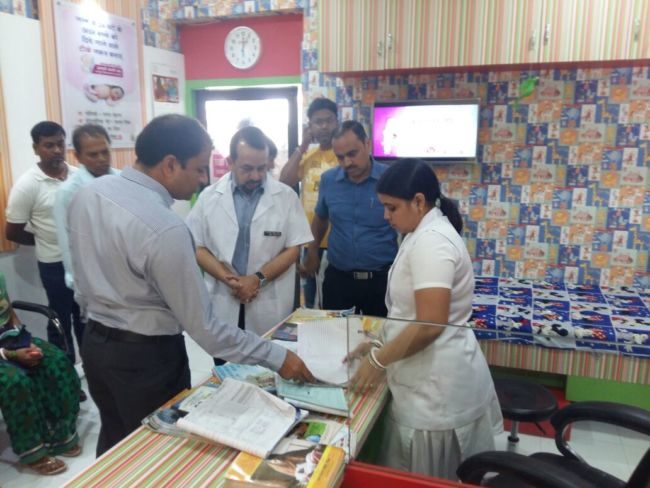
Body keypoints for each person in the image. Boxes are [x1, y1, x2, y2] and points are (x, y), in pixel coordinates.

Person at [67, 115, 314, 456]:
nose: (203, 179)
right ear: (170, 164)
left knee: (115, 444)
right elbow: (205, 329)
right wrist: (277, 355)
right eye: (198, 169)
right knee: (158, 454)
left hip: (95, 346)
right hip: (146, 360)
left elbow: (81, 279)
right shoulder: (165, 228)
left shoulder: (89, 195)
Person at [346, 159, 502, 479]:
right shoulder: (419, 233)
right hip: (427, 378)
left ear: (418, 201)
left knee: (427, 477)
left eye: (391, 207)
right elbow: (407, 312)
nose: (385, 216)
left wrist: (377, 360)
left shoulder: (432, 242)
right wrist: (378, 342)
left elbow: (430, 324)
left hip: (436, 391)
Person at [186, 126, 312, 351]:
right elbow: (198, 246)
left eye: (261, 168)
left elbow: (293, 249)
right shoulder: (208, 198)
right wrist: (229, 279)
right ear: (230, 162)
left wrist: (257, 279)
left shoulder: (285, 197)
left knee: (269, 360)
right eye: (247, 168)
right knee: (224, 360)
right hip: (224, 298)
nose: (256, 176)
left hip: (269, 302)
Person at [5, 121, 84, 368]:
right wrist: (43, 238)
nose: (57, 150)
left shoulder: (78, 176)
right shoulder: (28, 185)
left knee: (86, 317)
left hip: (83, 261)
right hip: (54, 264)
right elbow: (12, 231)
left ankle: (93, 367)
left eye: (60, 144)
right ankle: (65, 371)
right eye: (49, 146)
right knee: (60, 319)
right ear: (36, 149)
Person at [302, 121, 397, 316]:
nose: (347, 163)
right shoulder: (328, 180)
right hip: (339, 279)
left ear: (367, 144)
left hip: (381, 280)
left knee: (380, 333)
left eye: (352, 154)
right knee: (334, 332)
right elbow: (321, 217)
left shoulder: (390, 179)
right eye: (340, 157)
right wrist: (312, 251)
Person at [0, 273, 81, 475]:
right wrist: (11, 354)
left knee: (56, 361)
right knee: (14, 381)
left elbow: (8, 313)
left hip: (7, 340)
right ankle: (32, 451)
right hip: (4, 351)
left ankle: (59, 436)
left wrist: (24, 340)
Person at [280, 98, 339, 308]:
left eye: (329, 120)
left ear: (337, 122)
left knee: (333, 301)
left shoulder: (344, 156)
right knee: (312, 300)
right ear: (310, 126)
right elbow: (285, 181)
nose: (324, 126)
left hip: (337, 241)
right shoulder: (308, 155)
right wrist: (303, 146)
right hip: (310, 241)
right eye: (318, 122)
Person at [54, 123, 118, 290]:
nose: (101, 159)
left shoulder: (123, 180)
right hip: (92, 275)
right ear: (78, 157)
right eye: (93, 155)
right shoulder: (69, 191)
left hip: (124, 269)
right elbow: (66, 241)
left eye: (105, 152)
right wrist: (76, 280)